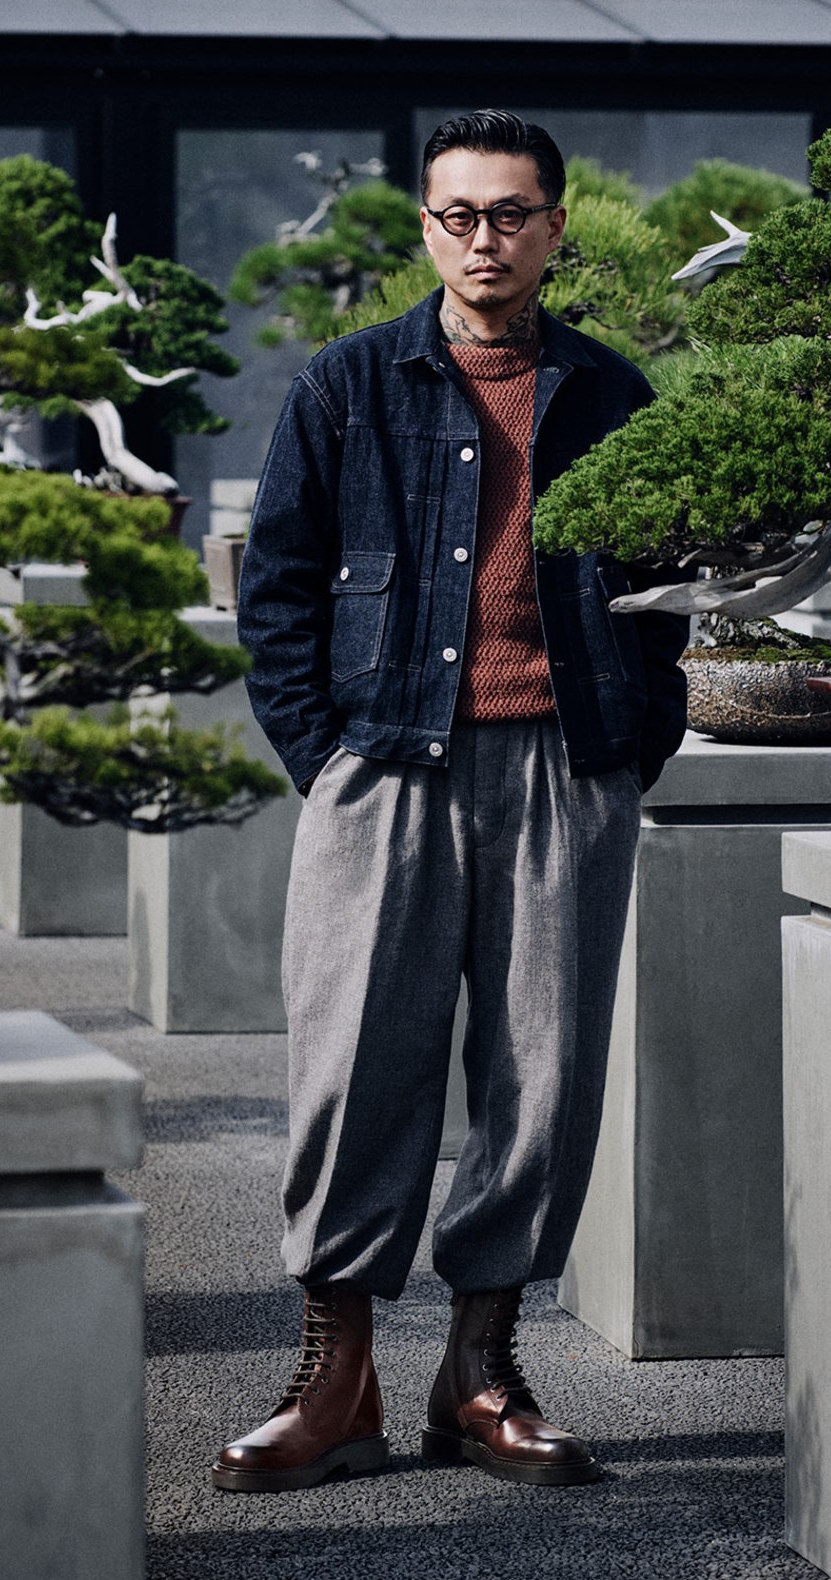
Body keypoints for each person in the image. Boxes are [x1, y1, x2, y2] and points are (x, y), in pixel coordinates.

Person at [216, 109, 688, 1493]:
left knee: (540, 1078)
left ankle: (479, 1375)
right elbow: (280, 585)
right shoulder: (349, 383)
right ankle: (336, 1375)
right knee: (355, 1069)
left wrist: (632, 744)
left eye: (513, 213)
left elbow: (663, 591)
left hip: (565, 767)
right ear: (427, 227)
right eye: (459, 214)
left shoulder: (611, 393)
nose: (486, 237)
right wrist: (328, 755)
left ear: (555, 230)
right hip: (389, 764)